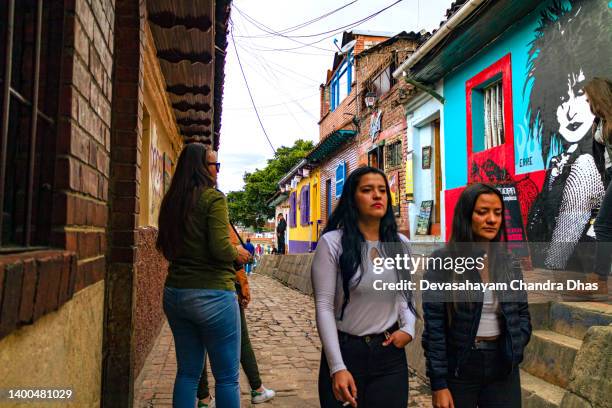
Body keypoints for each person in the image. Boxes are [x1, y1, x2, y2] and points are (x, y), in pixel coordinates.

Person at [311, 166, 416, 408]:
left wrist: (409, 329)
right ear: (352, 199)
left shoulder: (401, 245)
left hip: (389, 355)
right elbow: (324, 306)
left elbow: (404, 297)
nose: (377, 195)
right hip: (346, 352)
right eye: (367, 190)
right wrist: (337, 367)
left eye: (382, 190)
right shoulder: (332, 243)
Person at [157, 144, 251, 408]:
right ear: (201, 167)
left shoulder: (171, 202)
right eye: (214, 164)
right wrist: (239, 252)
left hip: (176, 294)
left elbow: (165, 245)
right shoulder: (213, 198)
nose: (217, 170)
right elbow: (221, 248)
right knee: (227, 378)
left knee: (187, 372)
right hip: (213, 295)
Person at [422, 183, 532, 408]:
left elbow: (521, 313)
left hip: (502, 365)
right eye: (482, 212)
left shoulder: (508, 262)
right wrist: (439, 384)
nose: (492, 219)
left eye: (497, 213)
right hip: (460, 366)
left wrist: (516, 344)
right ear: (466, 215)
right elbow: (434, 328)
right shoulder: (442, 261)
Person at [525, 0, 609, 270]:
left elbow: (559, 251)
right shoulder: (558, 165)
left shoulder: (583, 167)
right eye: (562, 99)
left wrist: (550, 276)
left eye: (579, 96)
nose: (570, 111)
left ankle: (600, 279)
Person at [197, 227, 276, 408]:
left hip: (188, 289)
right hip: (222, 289)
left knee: (197, 347)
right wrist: (244, 288)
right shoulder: (217, 213)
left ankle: (203, 399)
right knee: (240, 343)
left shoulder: (183, 216)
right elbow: (234, 256)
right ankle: (257, 387)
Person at [586, 77, 612, 292]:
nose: (588, 105)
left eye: (589, 100)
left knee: (602, 224)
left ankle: (599, 279)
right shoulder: (601, 121)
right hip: (611, 175)